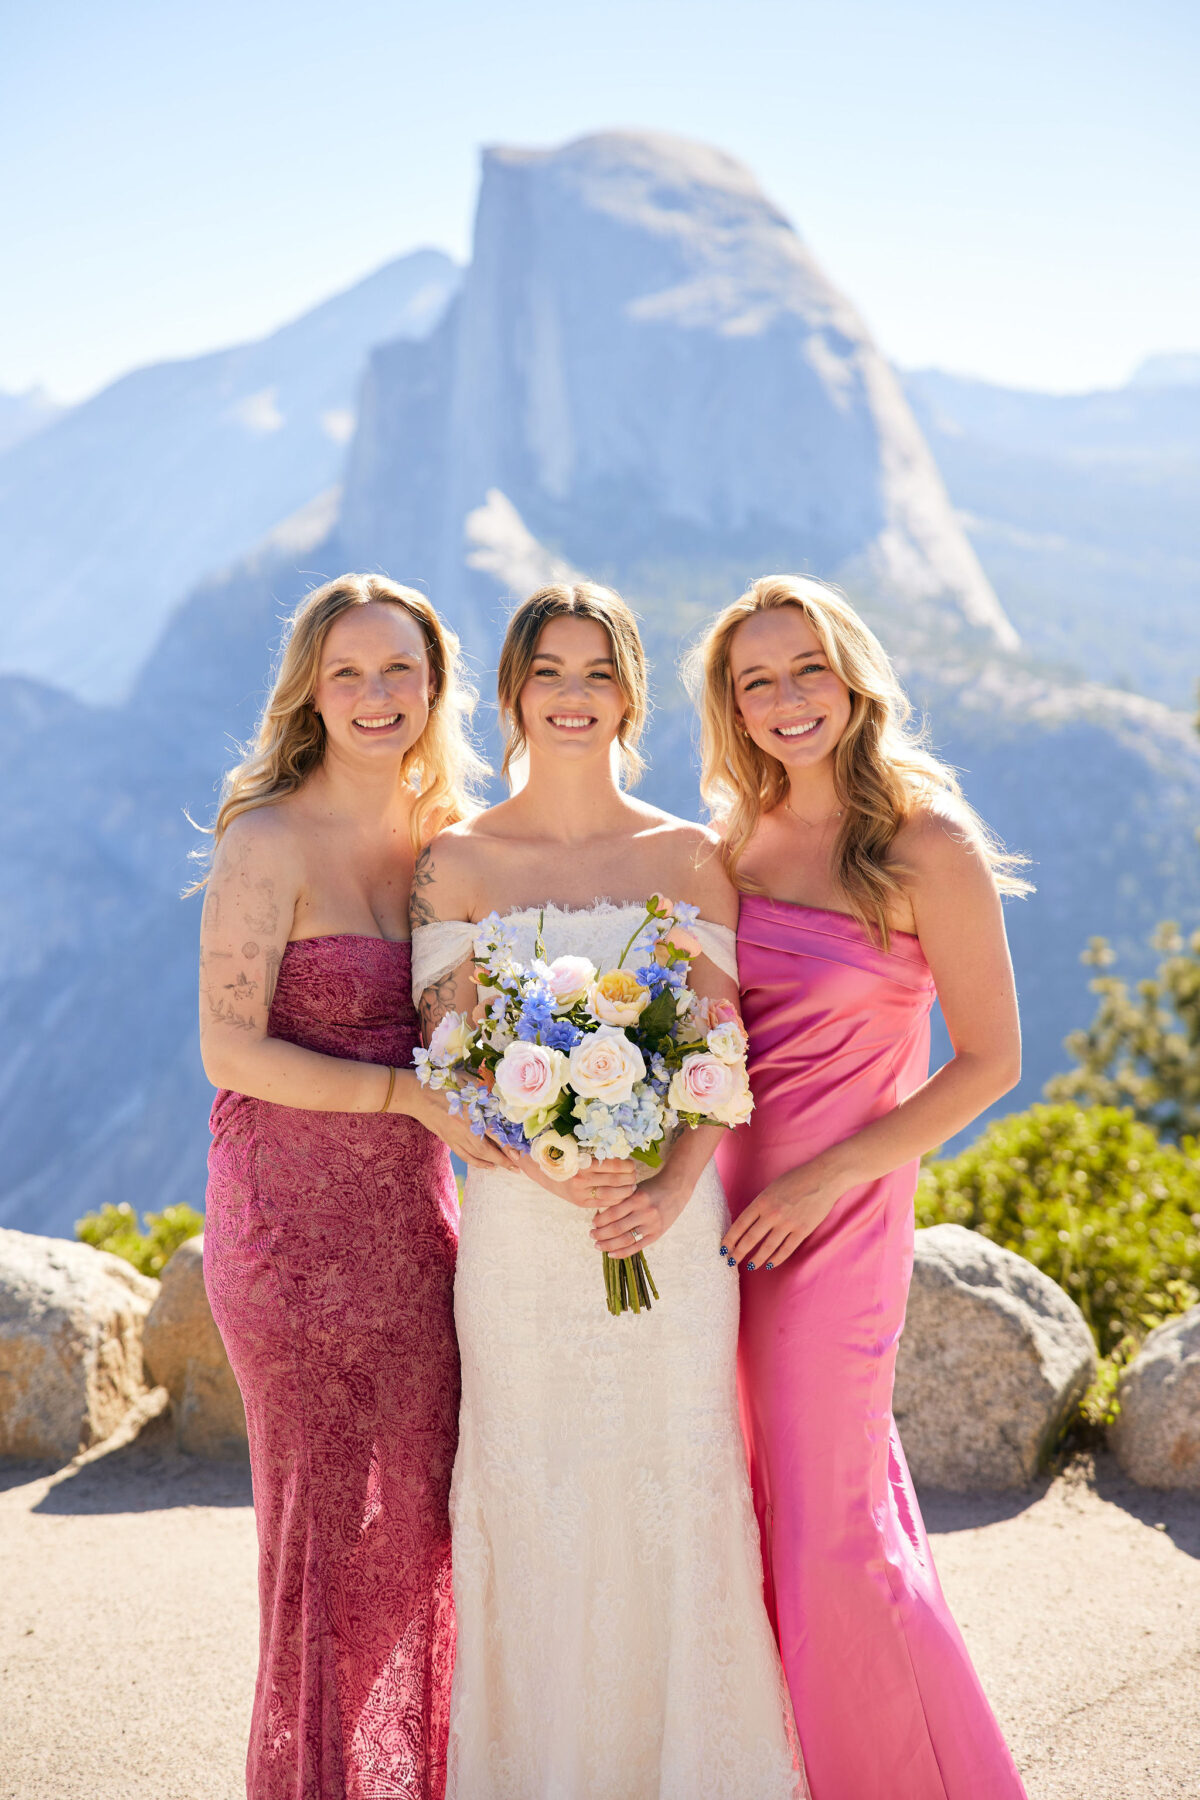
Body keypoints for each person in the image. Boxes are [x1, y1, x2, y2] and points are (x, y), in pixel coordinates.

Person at [409, 581, 803, 1800]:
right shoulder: (453, 862)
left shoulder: (689, 856)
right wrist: (552, 1159)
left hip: (667, 1236)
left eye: (597, 673)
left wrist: (672, 1186)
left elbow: (721, 1055)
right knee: (533, 1503)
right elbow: (453, 1063)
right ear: (512, 693)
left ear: (630, 695)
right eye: (549, 672)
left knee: (675, 1495)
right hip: (521, 1243)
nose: (572, 696)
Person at [692, 573, 1031, 1800]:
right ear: (733, 706)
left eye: (808, 669)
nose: (787, 697)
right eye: (757, 680)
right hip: (712, 1214)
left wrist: (827, 1178)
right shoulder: (729, 844)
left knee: (829, 1528)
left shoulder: (926, 843)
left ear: (852, 679)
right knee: (752, 1505)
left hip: (838, 1220)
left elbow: (991, 1061)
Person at [197, 573, 510, 1800]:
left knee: (419, 1533)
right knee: (324, 1544)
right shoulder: (267, 839)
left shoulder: (448, 841)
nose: (376, 695)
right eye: (349, 673)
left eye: (399, 670)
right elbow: (229, 1051)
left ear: (434, 686)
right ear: (311, 694)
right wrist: (407, 1099)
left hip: (417, 1237)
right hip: (287, 1233)